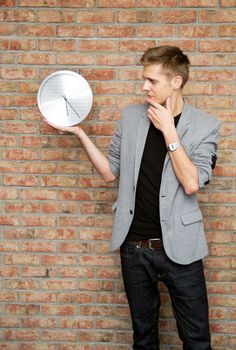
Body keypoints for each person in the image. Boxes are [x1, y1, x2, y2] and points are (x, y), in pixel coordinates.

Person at [44, 46, 221, 350]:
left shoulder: (206, 125)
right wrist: (79, 133)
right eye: (143, 79)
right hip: (135, 249)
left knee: (196, 340)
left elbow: (192, 183)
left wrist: (170, 132)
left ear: (176, 82)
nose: (144, 87)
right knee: (143, 338)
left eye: (152, 80)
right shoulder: (131, 117)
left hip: (181, 248)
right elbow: (110, 173)